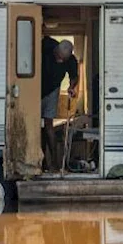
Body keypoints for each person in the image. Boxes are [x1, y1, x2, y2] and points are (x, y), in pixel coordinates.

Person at [41, 37, 79, 172]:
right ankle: (40, 161)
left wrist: (71, 87)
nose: (60, 61)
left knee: (48, 125)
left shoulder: (71, 60)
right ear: (56, 50)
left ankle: (54, 163)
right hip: (36, 88)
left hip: (53, 90)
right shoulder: (46, 46)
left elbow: (74, 77)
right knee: (33, 125)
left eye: (64, 59)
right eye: (59, 57)